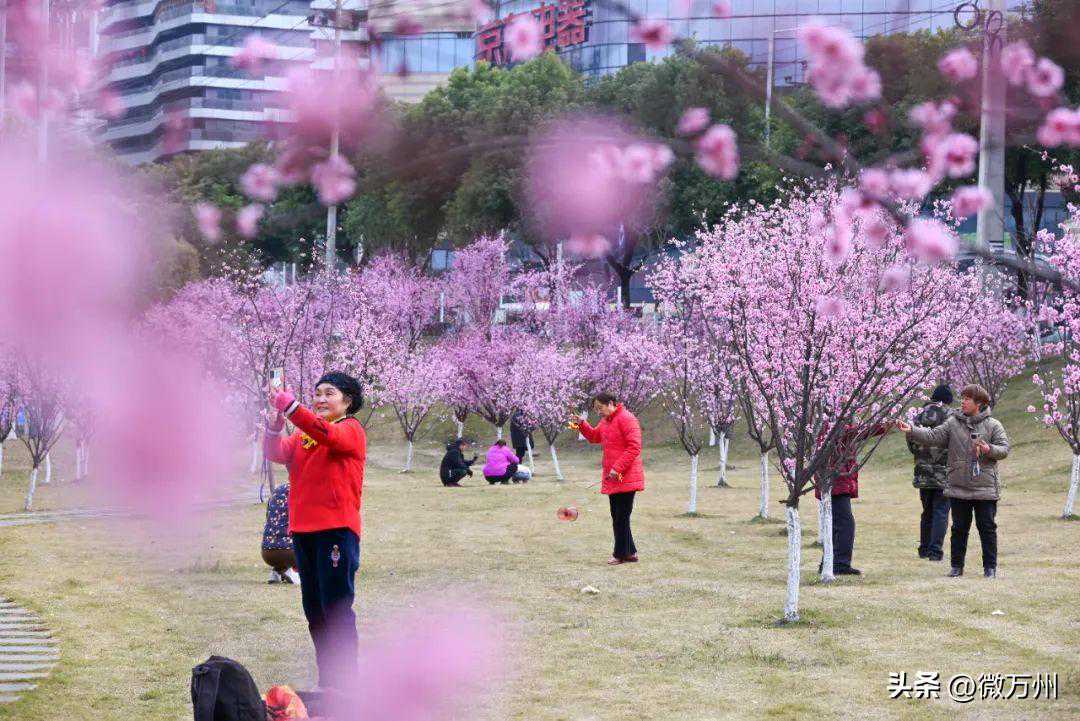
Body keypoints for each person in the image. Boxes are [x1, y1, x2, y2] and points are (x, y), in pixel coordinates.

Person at [264, 372, 366, 690]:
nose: (321, 399)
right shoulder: (305, 435)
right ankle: (329, 682)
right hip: (303, 532)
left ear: (347, 401)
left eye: (329, 393)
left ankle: (347, 683)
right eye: (317, 393)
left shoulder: (350, 429)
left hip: (336, 531)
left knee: (335, 608)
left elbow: (326, 434)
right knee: (315, 610)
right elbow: (276, 453)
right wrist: (275, 426)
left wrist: (291, 407)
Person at [899, 383, 1009, 578]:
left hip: (985, 487)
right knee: (958, 529)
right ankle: (957, 567)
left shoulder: (993, 425)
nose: (962, 402)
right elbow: (933, 436)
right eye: (962, 398)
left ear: (979, 403)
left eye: (967, 399)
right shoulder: (952, 423)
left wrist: (988, 449)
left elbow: (1004, 449)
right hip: (959, 486)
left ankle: (990, 568)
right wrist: (912, 430)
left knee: (987, 528)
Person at [571, 393, 645, 565]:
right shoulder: (606, 421)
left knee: (621, 516)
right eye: (596, 409)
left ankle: (620, 554)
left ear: (611, 403)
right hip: (613, 475)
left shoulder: (627, 419)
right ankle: (630, 552)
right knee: (618, 515)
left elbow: (634, 447)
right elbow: (594, 437)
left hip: (625, 474)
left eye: (600, 408)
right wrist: (581, 424)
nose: (598, 412)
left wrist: (617, 468)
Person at [815, 421, 896, 576]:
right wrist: (883, 425)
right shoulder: (832, 423)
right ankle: (839, 564)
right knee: (844, 524)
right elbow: (857, 432)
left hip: (833, 480)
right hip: (835, 481)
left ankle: (829, 562)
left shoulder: (826, 422)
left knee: (836, 524)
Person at [907, 384, 954, 562]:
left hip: (923, 471)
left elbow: (911, 441)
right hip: (944, 471)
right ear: (947, 400)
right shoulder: (950, 416)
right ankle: (935, 551)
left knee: (927, 511)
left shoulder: (918, 416)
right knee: (941, 511)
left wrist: (921, 455)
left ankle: (924, 549)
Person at [262, 481, 301, 584]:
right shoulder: (300, 490)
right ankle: (294, 571)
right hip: (289, 552)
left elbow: (268, 518)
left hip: (266, 552)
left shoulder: (277, 490)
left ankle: (276, 572)